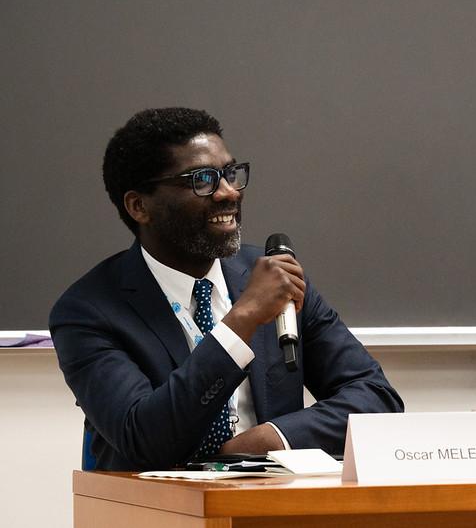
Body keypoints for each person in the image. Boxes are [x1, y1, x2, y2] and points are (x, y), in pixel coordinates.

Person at [50, 107, 403, 471]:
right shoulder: (88, 311)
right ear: (140, 206)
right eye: (201, 180)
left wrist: (270, 438)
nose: (228, 192)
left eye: (230, 174)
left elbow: (377, 399)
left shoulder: (272, 276)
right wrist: (242, 319)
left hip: (273, 503)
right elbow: (144, 440)